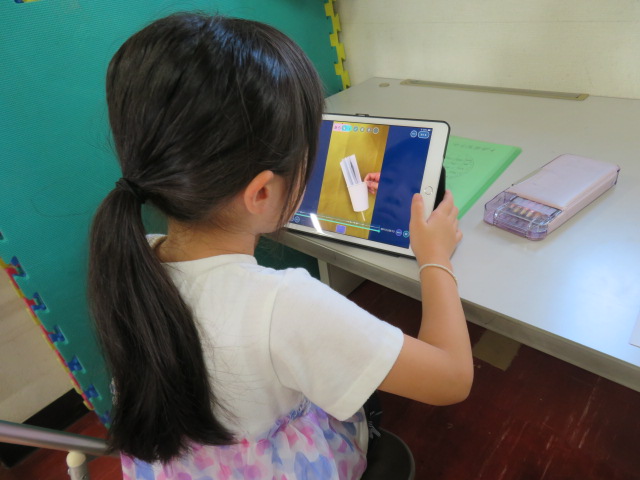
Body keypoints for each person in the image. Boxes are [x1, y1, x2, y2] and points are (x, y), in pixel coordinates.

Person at [88, 12, 473, 480]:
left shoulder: (134, 259)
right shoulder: (287, 305)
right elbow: (452, 378)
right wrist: (434, 258)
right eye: (310, 151)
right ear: (261, 193)